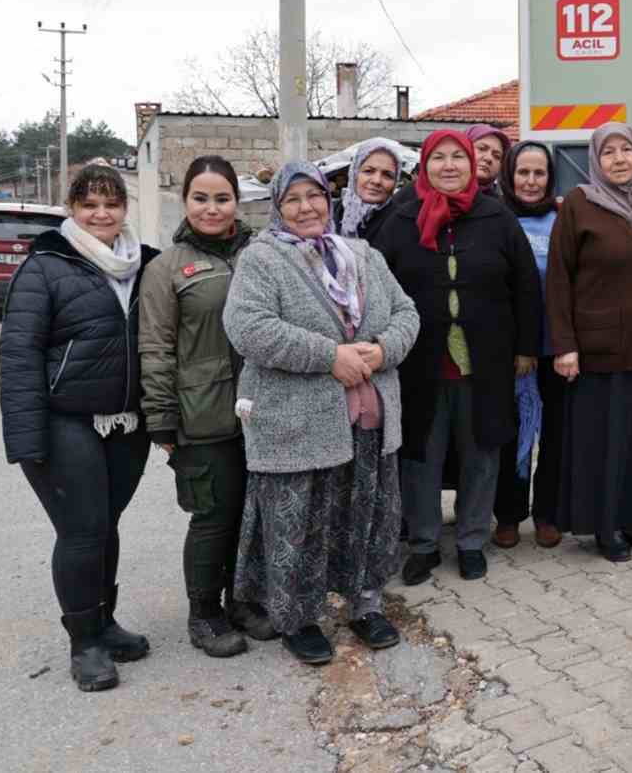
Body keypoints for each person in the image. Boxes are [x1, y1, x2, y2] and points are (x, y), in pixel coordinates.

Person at [223, 162, 420, 665]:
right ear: (277, 207)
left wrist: (381, 350)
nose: (307, 207)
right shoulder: (261, 259)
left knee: (368, 514)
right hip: (297, 421)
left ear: (329, 200)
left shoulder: (362, 254)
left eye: (314, 196)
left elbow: (407, 314)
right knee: (298, 523)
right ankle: (297, 619)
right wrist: (329, 356)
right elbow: (249, 328)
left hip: (368, 417)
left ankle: (365, 603)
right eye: (293, 200)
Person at [0, 163, 159, 692]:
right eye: (90, 204)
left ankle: (105, 622)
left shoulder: (145, 265)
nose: (101, 213)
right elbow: (19, 354)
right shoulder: (45, 266)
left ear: (124, 210)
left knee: (106, 525)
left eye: (111, 203)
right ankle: (84, 643)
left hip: (126, 423)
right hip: (65, 421)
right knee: (82, 530)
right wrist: (26, 441)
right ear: (73, 209)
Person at [373, 131, 540, 584]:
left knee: (481, 452)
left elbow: (525, 285)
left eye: (458, 158)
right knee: (421, 453)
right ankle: (424, 544)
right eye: (439, 158)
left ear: (472, 164)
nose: (449, 166)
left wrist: (526, 347)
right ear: (424, 166)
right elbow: (378, 290)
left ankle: (470, 541)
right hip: (418, 364)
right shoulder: (400, 220)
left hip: (485, 362)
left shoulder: (497, 217)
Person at [139, 156, 274, 658]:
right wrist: (162, 419)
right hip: (203, 413)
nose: (212, 208)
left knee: (251, 513)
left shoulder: (261, 253)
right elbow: (155, 346)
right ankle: (204, 613)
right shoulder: (166, 268)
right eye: (201, 198)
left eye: (222, 198)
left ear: (237, 201)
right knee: (213, 515)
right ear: (185, 201)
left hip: (262, 410)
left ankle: (241, 601)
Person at [547, 122, 632, 561]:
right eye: (609, 152)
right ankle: (606, 527)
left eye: (627, 150)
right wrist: (564, 345)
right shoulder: (580, 205)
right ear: (595, 160)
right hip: (599, 347)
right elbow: (559, 279)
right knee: (605, 438)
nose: (620, 159)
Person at [492, 140, 567, 550]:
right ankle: (508, 514)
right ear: (510, 174)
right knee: (511, 432)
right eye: (523, 172)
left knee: (554, 434)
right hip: (510, 349)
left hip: (555, 345)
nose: (531, 181)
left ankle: (547, 514)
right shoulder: (494, 217)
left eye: (539, 173)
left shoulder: (563, 218)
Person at [335, 138, 404, 243]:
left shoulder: (402, 222)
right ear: (354, 173)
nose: (377, 181)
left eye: (387, 175)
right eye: (369, 171)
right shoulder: (330, 213)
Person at [468, 124, 511, 198]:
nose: (489, 158)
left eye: (497, 156)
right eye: (482, 149)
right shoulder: (442, 195)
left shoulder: (501, 207)